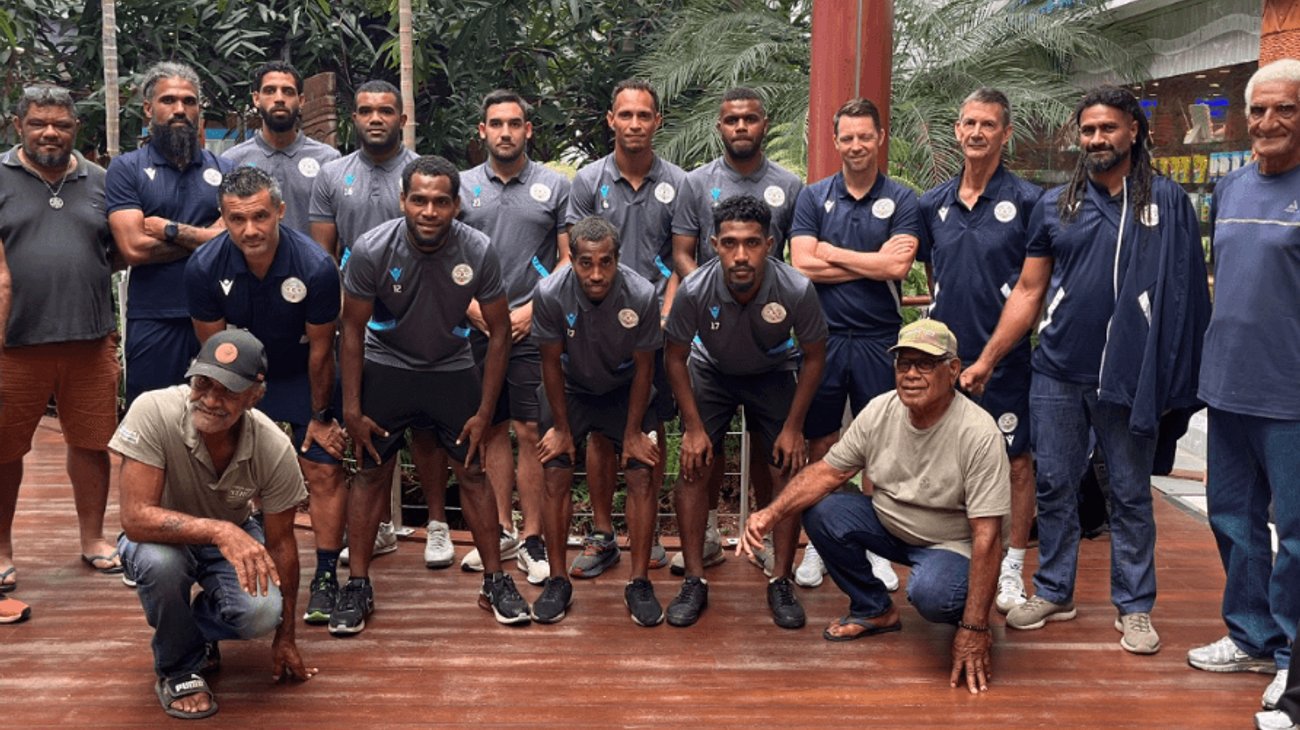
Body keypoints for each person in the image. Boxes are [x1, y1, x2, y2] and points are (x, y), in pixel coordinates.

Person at [961, 85, 1211, 654]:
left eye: (1108, 128)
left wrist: (1179, 377)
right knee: (1053, 485)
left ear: (1134, 131)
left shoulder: (1166, 201)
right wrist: (987, 359)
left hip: (1129, 377)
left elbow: (1186, 294)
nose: (1096, 139)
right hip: (1055, 371)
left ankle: (1135, 607)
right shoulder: (1055, 204)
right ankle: (1054, 589)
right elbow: (1029, 290)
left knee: (1128, 493)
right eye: (1089, 130)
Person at [741, 319, 1008, 694]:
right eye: (903, 364)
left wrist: (975, 629)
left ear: (953, 370)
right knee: (822, 510)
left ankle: (970, 610)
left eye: (925, 364)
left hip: (949, 545)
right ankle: (874, 609)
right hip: (889, 523)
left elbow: (988, 537)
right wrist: (769, 514)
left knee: (932, 594)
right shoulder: (880, 411)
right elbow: (826, 473)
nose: (911, 375)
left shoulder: (979, 433)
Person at [337, 155, 528, 633]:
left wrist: (485, 411)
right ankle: (357, 584)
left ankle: (495, 581)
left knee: (473, 473)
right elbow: (352, 330)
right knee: (370, 473)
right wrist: (352, 409)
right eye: (419, 199)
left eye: (441, 201)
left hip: (451, 366)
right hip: (388, 363)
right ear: (403, 200)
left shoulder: (478, 250)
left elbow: (501, 331)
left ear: (456, 206)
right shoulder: (371, 248)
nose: (429, 210)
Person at [113, 329, 316, 720]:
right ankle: (177, 668)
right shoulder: (152, 410)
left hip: (235, 536)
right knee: (161, 564)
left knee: (260, 612)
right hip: (159, 538)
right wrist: (220, 530)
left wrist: (285, 633)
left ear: (255, 395)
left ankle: (192, 631)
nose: (209, 399)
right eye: (202, 382)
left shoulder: (273, 446)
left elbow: (282, 543)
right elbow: (136, 517)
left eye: (227, 390)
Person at [184, 167, 347, 628]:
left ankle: (327, 575)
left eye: (260, 216)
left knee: (322, 463)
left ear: (279, 210)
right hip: (234, 378)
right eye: (237, 219)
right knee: (220, 464)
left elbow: (321, 351)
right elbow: (213, 356)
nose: (250, 230)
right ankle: (223, 569)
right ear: (223, 218)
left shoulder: (315, 266)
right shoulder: (203, 268)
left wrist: (321, 416)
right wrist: (231, 411)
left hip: (300, 373)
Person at [1189, 58, 1300, 713]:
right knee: (1232, 521)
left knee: (1296, 539)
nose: (1267, 123)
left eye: (1284, 109)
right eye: (1257, 110)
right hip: (1227, 388)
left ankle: (1293, 659)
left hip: (1291, 400)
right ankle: (1253, 635)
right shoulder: (1231, 191)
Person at [664, 195, 827, 628]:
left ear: (770, 244)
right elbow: (674, 357)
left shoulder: (795, 288)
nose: (741, 255)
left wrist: (794, 427)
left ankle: (780, 579)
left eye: (752, 243)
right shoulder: (695, 289)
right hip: (711, 371)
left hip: (773, 371)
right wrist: (693, 429)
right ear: (714, 244)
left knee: (787, 466)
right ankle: (695, 579)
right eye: (731, 243)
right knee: (694, 466)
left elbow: (814, 355)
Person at [668, 86, 804, 580]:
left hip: (771, 342)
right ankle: (703, 537)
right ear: (719, 127)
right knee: (702, 447)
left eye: (750, 119)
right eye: (731, 120)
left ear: (764, 124)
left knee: (776, 454)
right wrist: (707, 296)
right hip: (711, 336)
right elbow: (683, 251)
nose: (741, 127)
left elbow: (793, 257)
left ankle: (767, 540)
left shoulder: (790, 185)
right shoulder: (695, 183)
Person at [917, 88, 1042, 613]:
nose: (976, 132)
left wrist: (987, 359)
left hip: (1004, 363)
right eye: (968, 122)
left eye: (988, 124)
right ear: (956, 129)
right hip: (946, 362)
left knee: (1015, 463)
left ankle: (1012, 566)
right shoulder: (932, 204)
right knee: (946, 460)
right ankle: (956, 554)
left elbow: (1031, 289)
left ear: (1006, 133)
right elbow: (933, 276)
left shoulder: (1031, 201)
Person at [789, 96, 922, 590]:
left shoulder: (903, 198)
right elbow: (802, 264)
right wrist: (867, 259)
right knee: (822, 443)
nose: (857, 144)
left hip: (879, 339)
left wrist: (831, 252)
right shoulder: (813, 196)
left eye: (865, 135)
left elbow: (897, 268)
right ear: (835, 140)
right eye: (847, 136)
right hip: (822, 340)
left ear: (880, 137)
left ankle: (876, 545)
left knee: (882, 448)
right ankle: (821, 545)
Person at [0, 84, 123, 608]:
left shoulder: (100, 181)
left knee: (92, 444)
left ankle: (93, 539)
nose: (49, 132)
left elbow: (117, 251)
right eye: (38, 123)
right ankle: (1, 549)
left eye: (61, 124)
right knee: (4, 450)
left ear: (77, 129)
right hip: (14, 343)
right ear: (17, 125)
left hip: (90, 339)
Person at [565, 79, 685, 577]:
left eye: (644, 115)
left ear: (657, 121)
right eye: (625, 115)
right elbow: (568, 254)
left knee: (648, 432)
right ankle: (600, 534)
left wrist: (665, 315)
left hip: (651, 330)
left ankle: (647, 533)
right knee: (598, 435)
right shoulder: (587, 182)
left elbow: (682, 259)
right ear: (611, 120)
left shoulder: (680, 182)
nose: (635, 124)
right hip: (596, 329)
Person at [457, 89, 573, 584]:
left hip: (532, 325)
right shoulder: (460, 186)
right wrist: (470, 306)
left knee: (530, 431)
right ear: (482, 131)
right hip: (476, 324)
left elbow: (570, 258)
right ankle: (502, 529)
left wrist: (531, 308)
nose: (505, 132)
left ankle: (532, 538)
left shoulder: (554, 185)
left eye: (515, 123)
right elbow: (444, 255)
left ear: (529, 130)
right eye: (496, 124)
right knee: (490, 427)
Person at [308, 79, 420, 563]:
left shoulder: (423, 173)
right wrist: (328, 319)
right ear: (354, 118)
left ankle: (411, 524)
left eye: (386, 110)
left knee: (417, 427)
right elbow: (322, 257)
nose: (376, 118)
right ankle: (370, 528)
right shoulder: (333, 175)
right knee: (359, 419)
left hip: (415, 317)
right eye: (366, 110)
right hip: (354, 319)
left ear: (402, 119)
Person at [530, 216, 662, 624]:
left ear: (618, 259)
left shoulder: (641, 294)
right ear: (572, 259)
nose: (597, 273)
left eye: (606, 262)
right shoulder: (550, 293)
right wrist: (562, 429)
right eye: (586, 263)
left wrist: (635, 432)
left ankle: (639, 581)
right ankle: (556, 579)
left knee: (641, 472)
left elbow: (645, 369)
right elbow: (550, 364)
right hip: (570, 387)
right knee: (555, 471)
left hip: (625, 387)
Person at [106, 61, 234, 405]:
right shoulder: (126, 168)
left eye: (189, 101)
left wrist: (168, 229)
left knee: (216, 417)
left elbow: (237, 238)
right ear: (148, 108)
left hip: (217, 315)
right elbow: (133, 248)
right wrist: (206, 238)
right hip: (153, 317)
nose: (180, 109)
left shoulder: (225, 169)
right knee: (150, 420)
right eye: (169, 100)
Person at [222, 61, 341, 233]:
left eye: (288, 92)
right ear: (256, 99)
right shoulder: (232, 161)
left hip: (309, 260)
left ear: (301, 101)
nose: (279, 98)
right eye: (270, 91)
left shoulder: (328, 160)